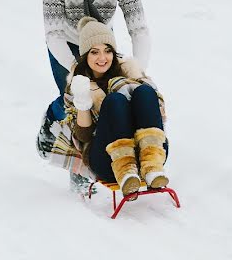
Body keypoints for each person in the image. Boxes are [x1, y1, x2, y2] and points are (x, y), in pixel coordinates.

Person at [41, 0, 151, 123]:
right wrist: (76, 68)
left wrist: (138, 75)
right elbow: (53, 35)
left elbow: (139, 29)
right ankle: (51, 118)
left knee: (109, 96)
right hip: (66, 41)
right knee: (74, 100)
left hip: (101, 41)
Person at [66, 17, 169, 195]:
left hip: (149, 153)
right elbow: (82, 136)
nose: (102, 58)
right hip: (107, 160)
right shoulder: (78, 83)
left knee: (144, 91)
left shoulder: (131, 73)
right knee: (115, 101)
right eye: (94, 52)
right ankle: (126, 171)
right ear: (85, 55)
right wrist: (83, 101)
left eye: (107, 51)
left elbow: (158, 113)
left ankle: (152, 166)